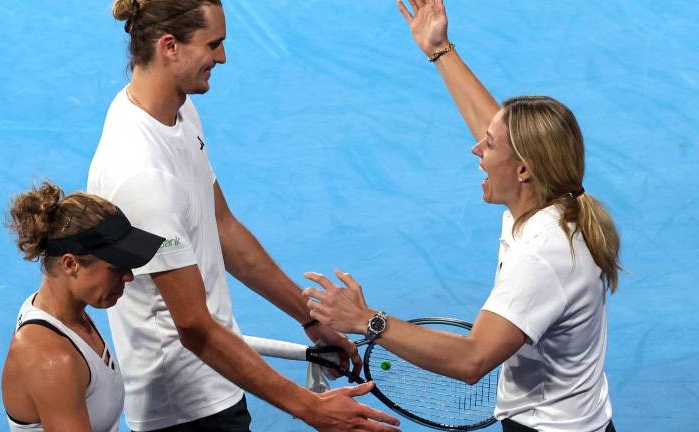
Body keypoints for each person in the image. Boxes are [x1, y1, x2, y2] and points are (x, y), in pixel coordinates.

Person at [303, 1, 621, 431]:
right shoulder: (550, 198)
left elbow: (472, 360)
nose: (476, 150)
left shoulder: (543, 256)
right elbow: (495, 128)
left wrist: (367, 321)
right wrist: (440, 51)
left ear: (524, 169)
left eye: (487, 148)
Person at [87, 1, 400, 431]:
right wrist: (309, 407)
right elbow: (195, 328)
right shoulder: (141, 172)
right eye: (213, 44)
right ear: (169, 46)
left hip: (216, 377)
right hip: (186, 409)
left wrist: (308, 316)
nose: (222, 57)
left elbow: (223, 228)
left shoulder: (176, 112)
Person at [1, 181, 166, 431]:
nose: (129, 276)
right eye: (116, 267)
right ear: (70, 264)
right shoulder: (51, 359)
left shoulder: (66, 313)